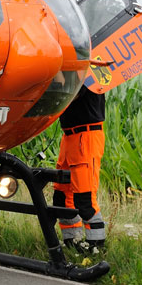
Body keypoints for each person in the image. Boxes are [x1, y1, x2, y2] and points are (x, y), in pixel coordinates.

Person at [53, 86, 107, 254]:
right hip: (69, 137)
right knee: (62, 197)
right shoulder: (71, 71)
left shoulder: (88, 74)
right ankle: (72, 243)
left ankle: (96, 247)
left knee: (85, 200)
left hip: (86, 137)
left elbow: (73, 92)